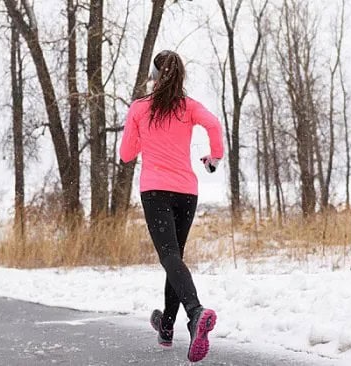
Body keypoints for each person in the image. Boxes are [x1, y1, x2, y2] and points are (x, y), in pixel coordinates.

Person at [119, 50, 224, 363]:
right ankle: (166, 326)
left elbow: (126, 154)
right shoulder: (189, 107)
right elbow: (214, 125)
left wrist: (142, 135)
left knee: (169, 257)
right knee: (174, 258)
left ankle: (195, 312)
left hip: (155, 190)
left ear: (153, 76)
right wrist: (213, 157)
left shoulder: (139, 108)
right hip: (187, 192)